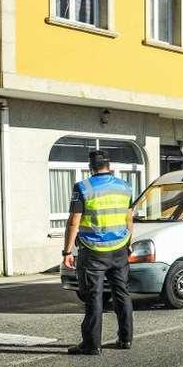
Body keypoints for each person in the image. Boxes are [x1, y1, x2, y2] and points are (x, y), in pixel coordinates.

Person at [62, 150, 134, 355]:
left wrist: (67, 251)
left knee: (94, 296)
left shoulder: (83, 187)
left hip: (93, 252)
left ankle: (92, 345)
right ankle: (126, 339)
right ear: (109, 166)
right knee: (122, 293)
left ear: (90, 167)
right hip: (120, 249)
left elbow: (74, 221)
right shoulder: (125, 187)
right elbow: (129, 219)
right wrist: (128, 242)